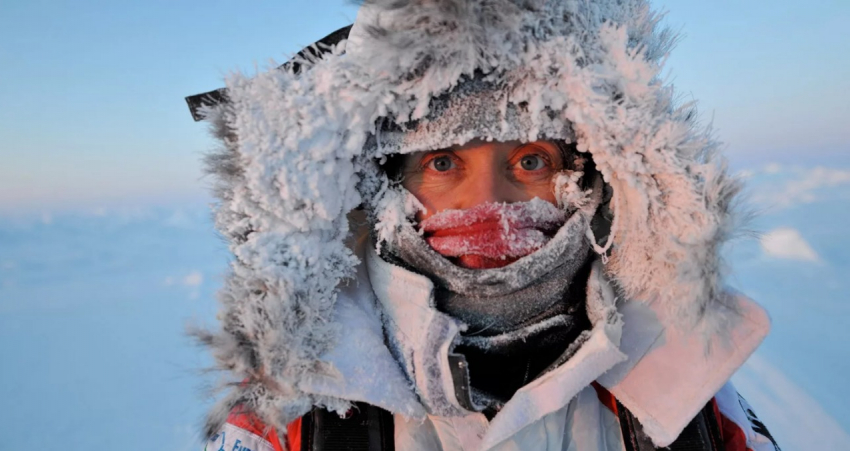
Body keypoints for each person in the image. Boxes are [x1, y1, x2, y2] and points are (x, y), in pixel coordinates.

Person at [187, 1, 780, 450]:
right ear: (381, 188)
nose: (490, 202)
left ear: (593, 179)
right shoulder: (291, 412)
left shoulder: (680, 385)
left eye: (529, 161)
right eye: (443, 163)